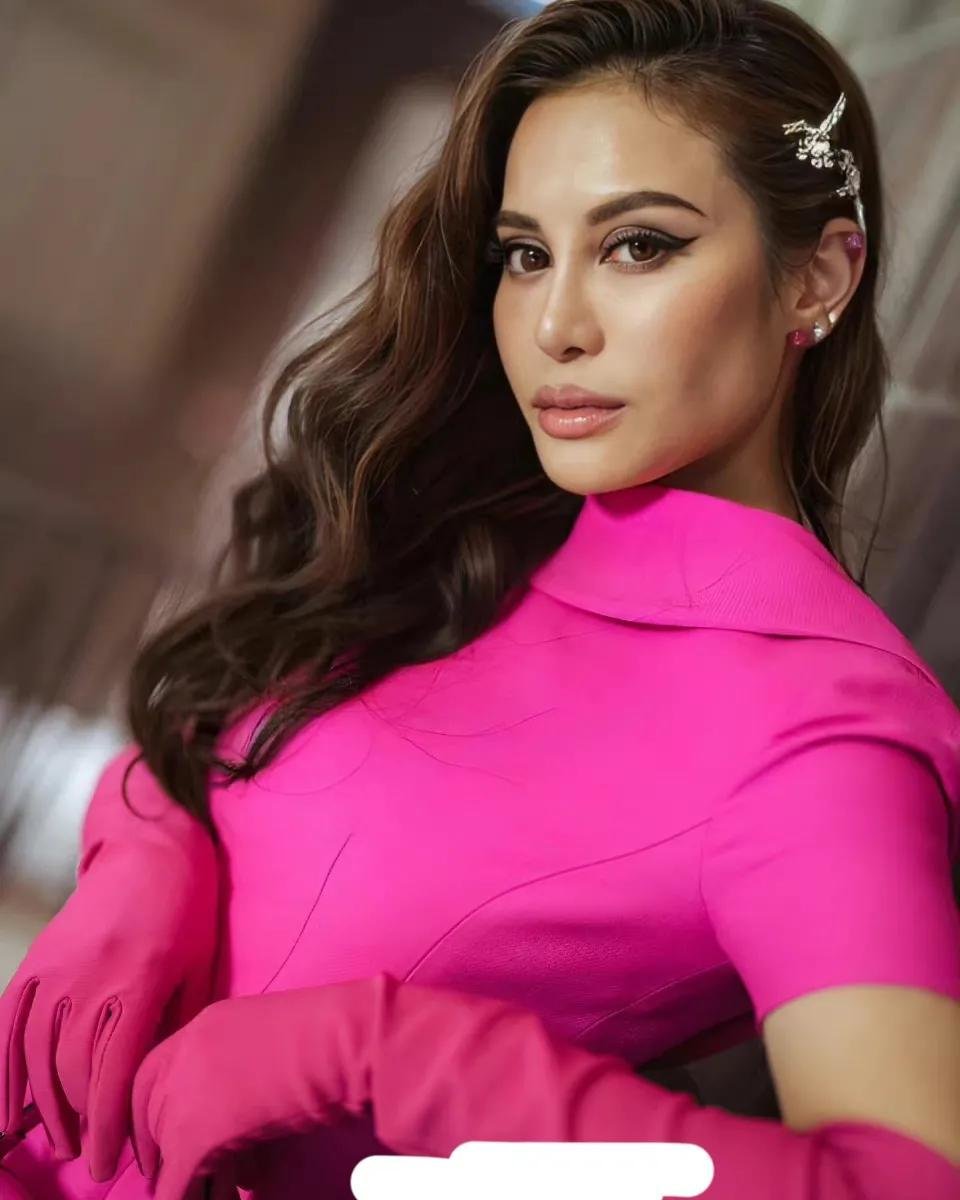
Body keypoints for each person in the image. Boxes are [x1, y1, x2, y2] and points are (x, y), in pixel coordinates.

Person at [1, 1, 958, 1197]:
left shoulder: (823, 731)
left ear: (817, 275)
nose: (555, 326)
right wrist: (148, 857)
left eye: (639, 245)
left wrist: (381, 1053)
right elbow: (241, 740)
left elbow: (904, 1180)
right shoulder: (485, 526)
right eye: (526, 254)